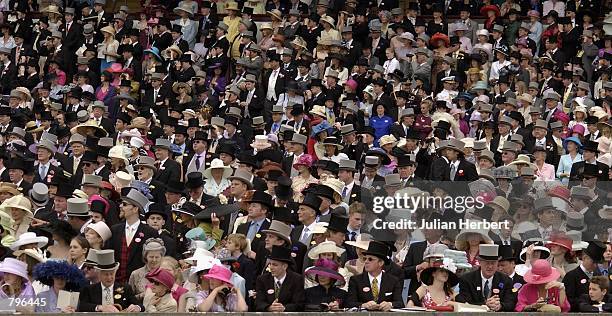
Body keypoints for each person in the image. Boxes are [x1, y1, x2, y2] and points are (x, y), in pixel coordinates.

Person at [77, 249, 143, 312]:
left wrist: (136, 307)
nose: (109, 277)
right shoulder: (89, 290)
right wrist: (100, 307)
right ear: (99, 274)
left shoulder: (126, 289)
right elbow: (82, 306)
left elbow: (141, 306)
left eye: (112, 274)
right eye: (106, 274)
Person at [345, 241, 403, 311]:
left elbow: (400, 303)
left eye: (370, 259)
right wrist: (364, 305)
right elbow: (349, 303)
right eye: (365, 259)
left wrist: (390, 304)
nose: (366, 261)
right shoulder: (355, 280)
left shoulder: (393, 281)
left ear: (381, 263)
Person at [456, 244, 516, 311]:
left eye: (493, 263)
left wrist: (500, 306)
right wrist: (484, 304)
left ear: (497, 263)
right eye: (487, 263)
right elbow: (463, 301)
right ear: (480, 262)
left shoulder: (506, 280)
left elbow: (511, 302)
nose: (490, 266)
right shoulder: (467, 279)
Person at [255, 245, 305, 312]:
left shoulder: (297, 279)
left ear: (284, 266)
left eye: (275, 265)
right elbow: (259, 302)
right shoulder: (262, 279)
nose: (271, 267)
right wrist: (269, 307)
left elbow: (299, 304)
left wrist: (284, 308)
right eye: (270, 264)